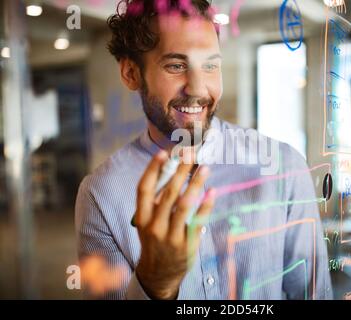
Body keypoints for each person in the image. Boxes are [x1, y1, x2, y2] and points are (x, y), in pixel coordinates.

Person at [75, 0, 332, 300]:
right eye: (176, 65)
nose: (198, 88)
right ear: (131, 73)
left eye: (210, 65)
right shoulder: (101, 195)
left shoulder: (284, 167)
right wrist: (155, 285)